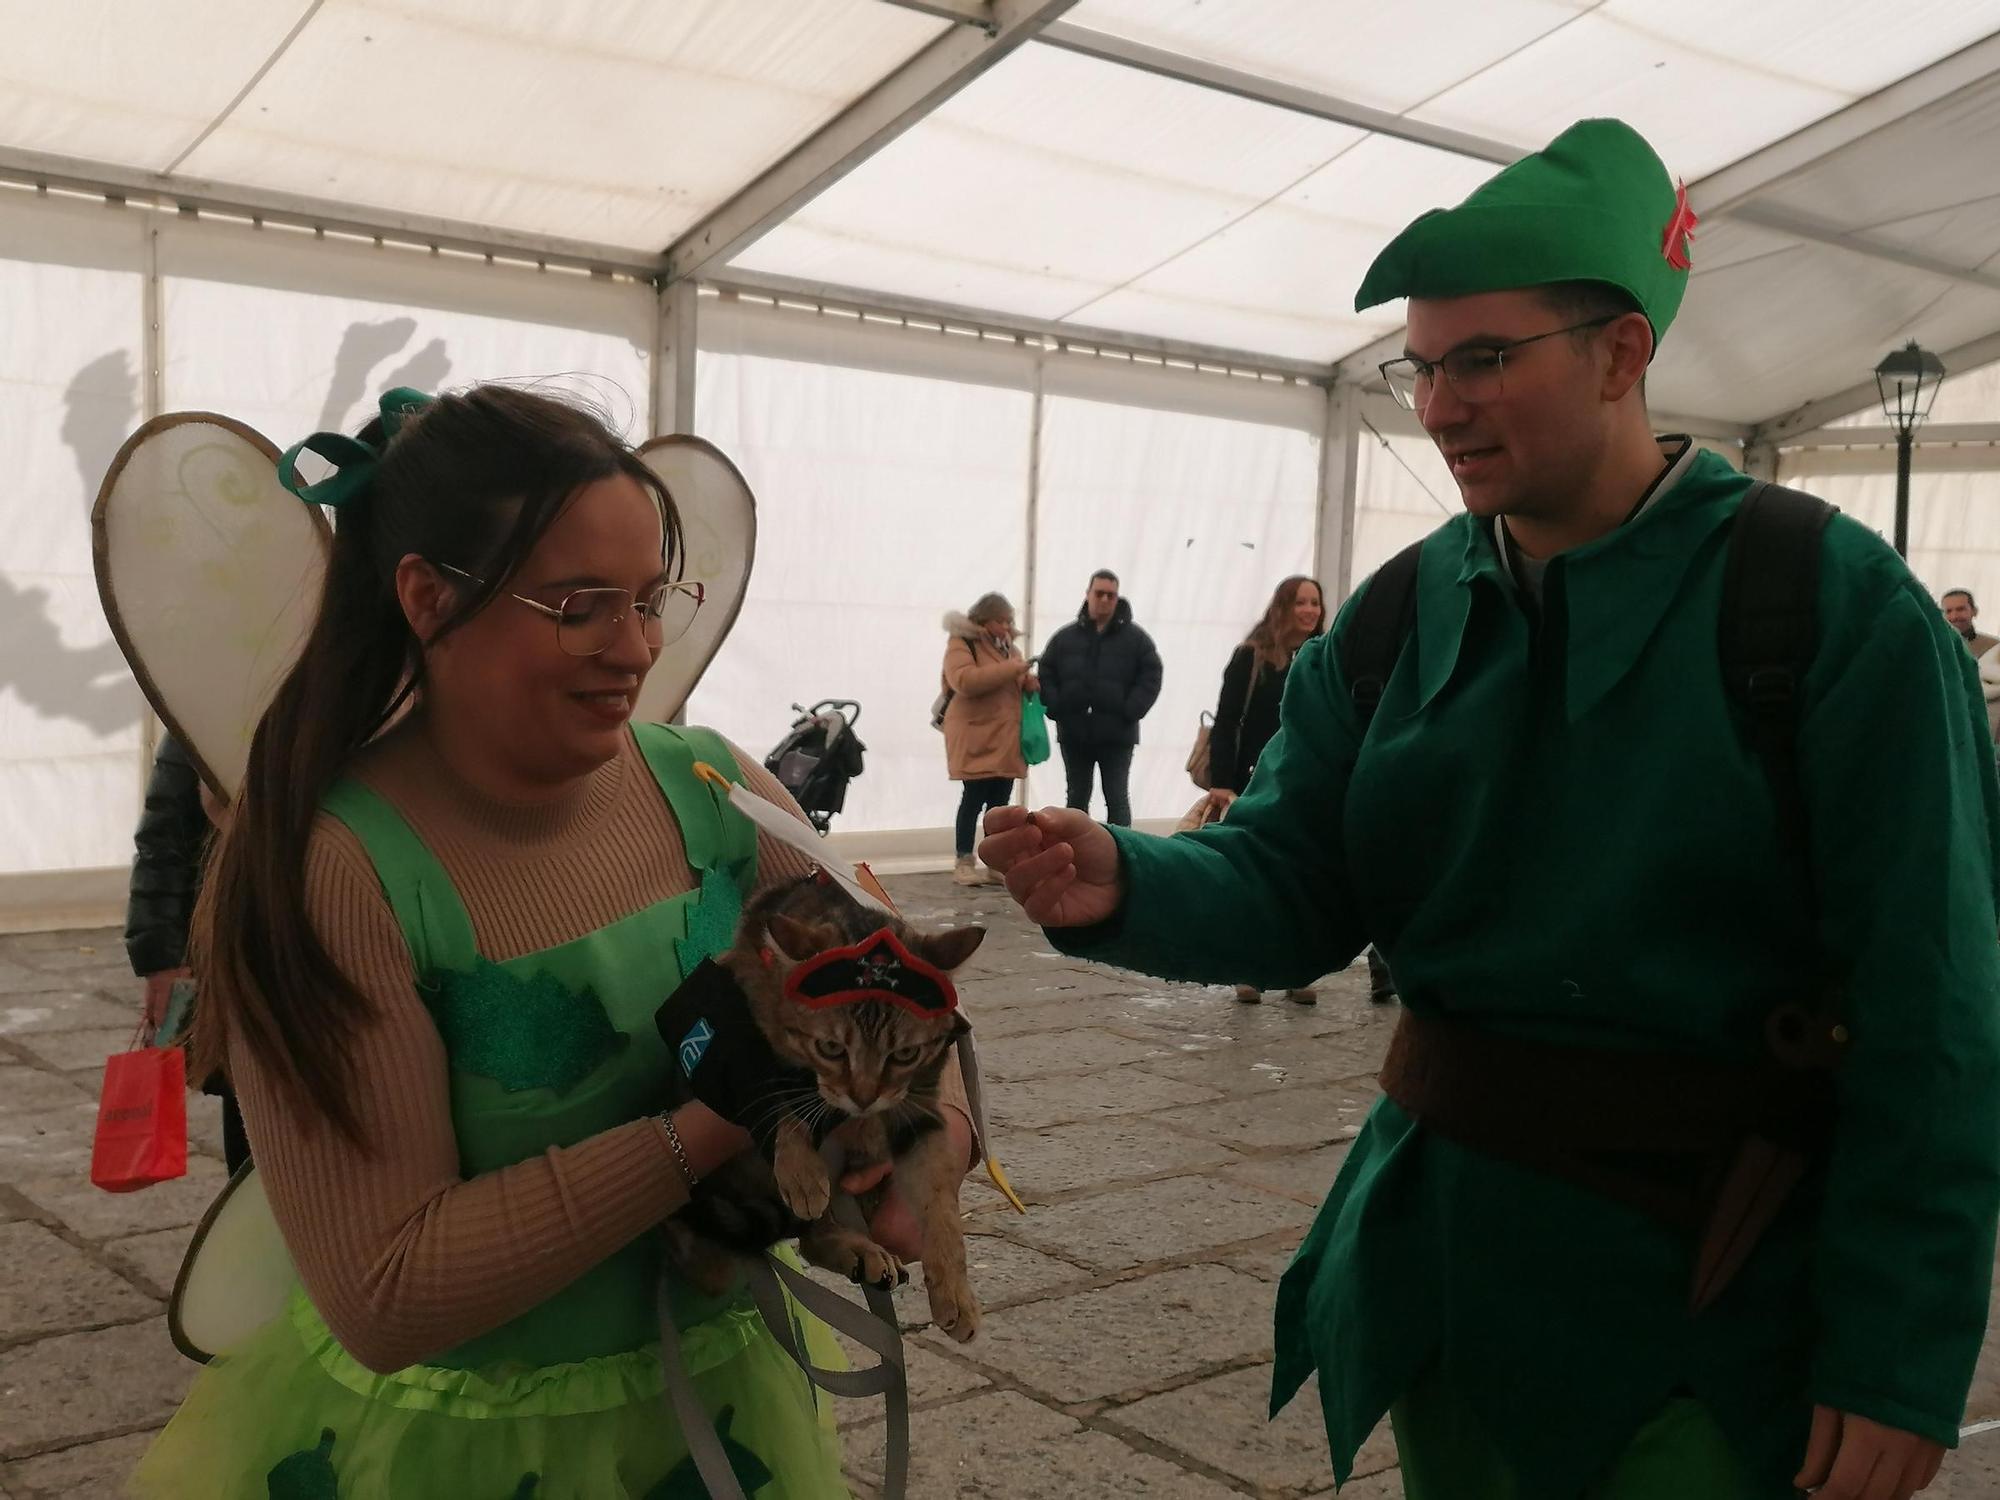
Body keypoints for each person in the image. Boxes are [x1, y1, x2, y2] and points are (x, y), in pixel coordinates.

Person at [981, 119, 2000, 1500]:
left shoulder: (1828, 606)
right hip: (1449, 1276)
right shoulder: (1401, 609)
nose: (1443, 404)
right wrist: (1131, 881)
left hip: (1718, 1294)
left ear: (1623, 354)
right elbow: (1295, 880)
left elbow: (1935, 1006)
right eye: (1424, 367)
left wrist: (1895, 1354)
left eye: (1486, 359)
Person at [131, 385, 976, 1498]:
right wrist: (711, 1131)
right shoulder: (331, 873)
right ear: (428, 599)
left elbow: (912, 992)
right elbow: (386, 1292)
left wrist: (933, 1153)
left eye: (649, 599)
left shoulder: (715, 789)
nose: (633, 648)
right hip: (457, 1450)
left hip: (720, 1416)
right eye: (579, 605)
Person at [124, 732, 250, 1173]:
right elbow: (163, 839)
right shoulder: (201, 707)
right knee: (250, 1114)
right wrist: (161, 959)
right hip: (240, 961)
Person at [1207, 576, 1335, 1007]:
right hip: (1252, 780)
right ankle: (1249, 968)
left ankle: (1296, 969)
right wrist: (1222, 782)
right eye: (1300, 602)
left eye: (1315, 602)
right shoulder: (1252, 656)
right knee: (1253, 876)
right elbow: (1226, 721)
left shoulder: (1327, 656)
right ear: (1282, 607)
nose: (1310, 610)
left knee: (1301, 878)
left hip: (1307, 779)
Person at [1036, 570, 1162, 827]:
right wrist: (1056, 706)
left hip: (1117, 735)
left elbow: (1151, 675)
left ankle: (1122, 856)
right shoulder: (1064, 638)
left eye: (1111, 595)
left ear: (1117, 598)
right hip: (1074, 733)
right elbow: (1046, 671)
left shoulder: (1136, 640)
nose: (1105, 599)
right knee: (1077, 797)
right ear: (1088, 594)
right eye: (1099, 593)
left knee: (1116, 797)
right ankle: (1074, 857)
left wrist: (1131, 709)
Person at [940, 593, 1035, 886]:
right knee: (972, 799)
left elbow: (1012, 683)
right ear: (982, 620)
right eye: (999, 620)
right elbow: (965, 681)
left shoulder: (1011, 651)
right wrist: (1013, 670)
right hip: (976, 736)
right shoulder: (961, 643)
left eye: (1009, 620)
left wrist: (1028, 684)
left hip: (1006, 738)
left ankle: (995, 862)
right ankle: (964, 860)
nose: (1006, 626)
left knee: (999, 804)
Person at [1940, 589, 1998, 656]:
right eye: (1948, 611)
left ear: (1974, 611)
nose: (1954, 617)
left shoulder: (1994, 648)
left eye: (1960, 609)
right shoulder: (1932, 646)